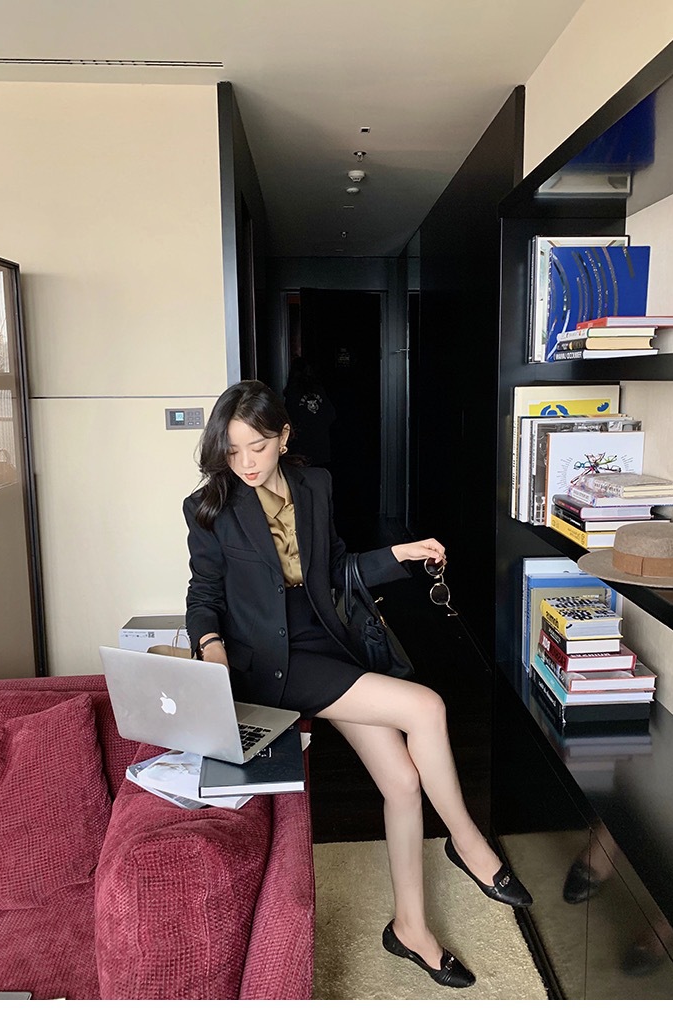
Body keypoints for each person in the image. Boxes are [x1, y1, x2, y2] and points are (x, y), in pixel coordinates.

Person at [184, 379, 532, 990]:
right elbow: (203, 595)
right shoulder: (209, 506)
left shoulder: (314, 486)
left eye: (257, 448)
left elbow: (336, 570)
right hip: (271, 665)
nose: (245, 464)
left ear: (284, 436)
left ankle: (410, 929)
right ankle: (468, 842)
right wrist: (212, 650)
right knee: (425, 707)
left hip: (324, 644)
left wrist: (401, 553)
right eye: (232, 451)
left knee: (402, 781)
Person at [282, 356, 336, 469]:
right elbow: (331, 415)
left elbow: (288, 419)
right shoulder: (319, 390)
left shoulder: (292, 393)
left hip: (301, 449)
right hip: (320, 447)